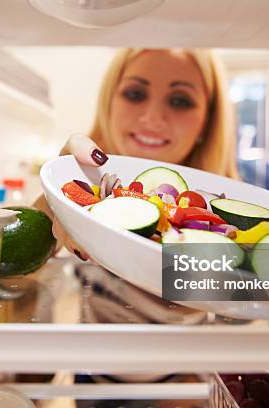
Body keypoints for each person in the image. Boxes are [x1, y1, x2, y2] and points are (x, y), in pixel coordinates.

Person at [34, 47, 239, 259]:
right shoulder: (84, 193)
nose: (152, 118)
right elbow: (5, 275)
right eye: (135, 94)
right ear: (109, 104)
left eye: (179, 101)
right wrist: (54, 200)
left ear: (208, 120)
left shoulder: (239, 221)